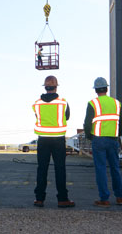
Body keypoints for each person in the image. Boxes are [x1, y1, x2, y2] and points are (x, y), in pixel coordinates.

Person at [84, 77, 122, 207]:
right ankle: (120, 197)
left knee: (101, 169)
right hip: (113, 139)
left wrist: (90, 136)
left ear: (96, 90)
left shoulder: (93, 104)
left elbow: (87, 124)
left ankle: (104, 199)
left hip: (98, 140)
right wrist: (116, 134)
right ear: (107, 88)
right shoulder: (116, 103)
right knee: (115, 168)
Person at [32, 75, 75, 208]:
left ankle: (39, 199)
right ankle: (62, 199)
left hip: (43, 139)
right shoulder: (63, 102)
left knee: (42, 169)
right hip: (58, 139)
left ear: (45, 87)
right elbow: (66, 117)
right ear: (56, 87)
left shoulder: (37, 104)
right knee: (60, 168)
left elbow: (37, 116)